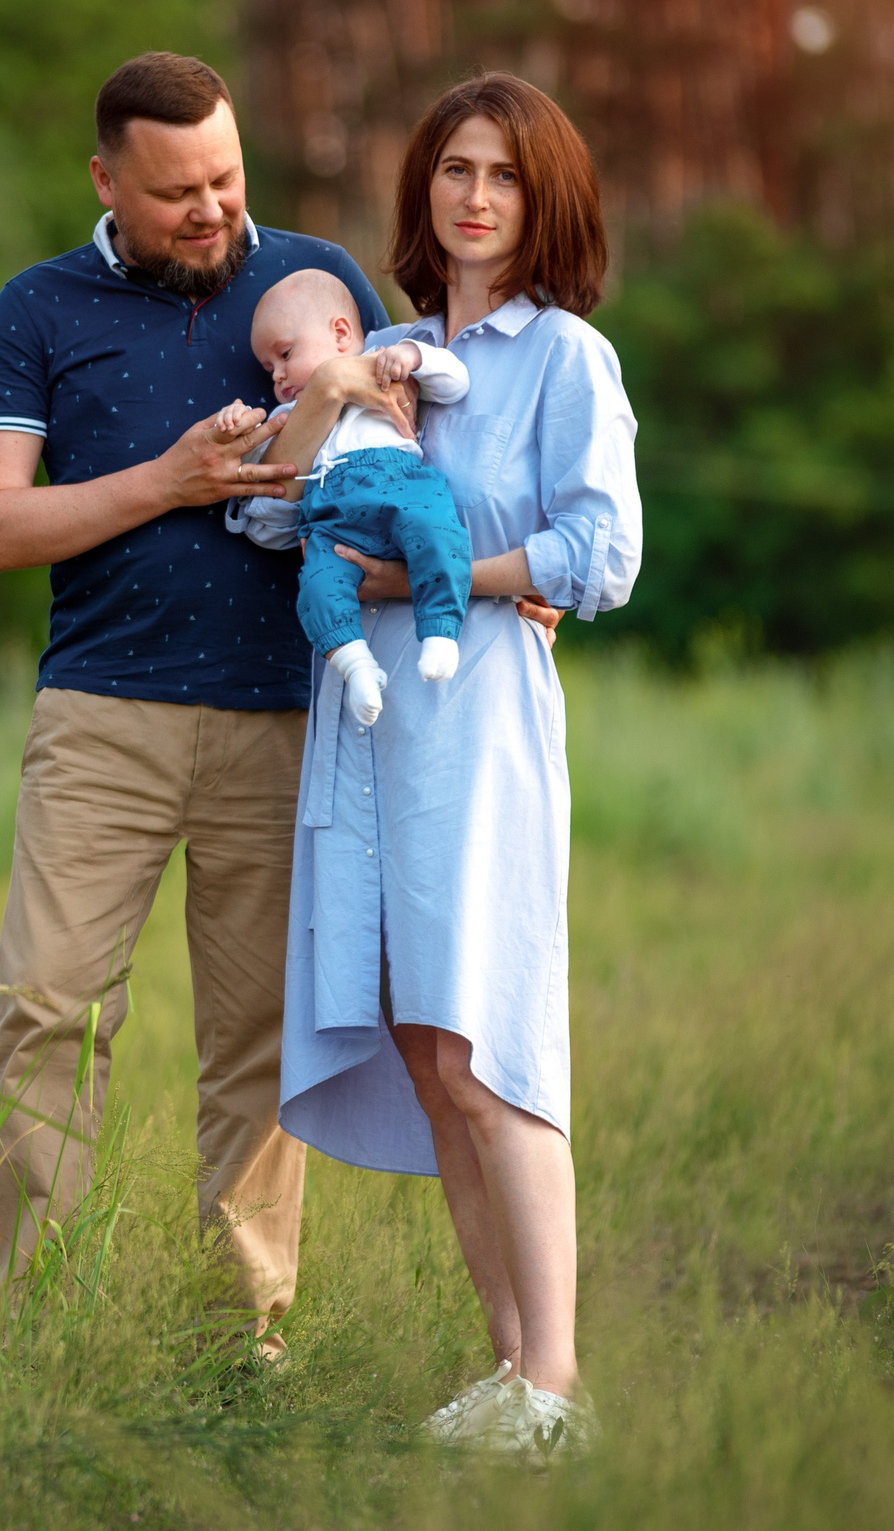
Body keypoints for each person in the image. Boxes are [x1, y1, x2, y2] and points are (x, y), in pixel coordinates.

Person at [0, 51, 419, 1349]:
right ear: (107, 180)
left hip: (289, 718)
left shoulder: (318, 282)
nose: (212, 209)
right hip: (101, 718)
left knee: (262, 1046)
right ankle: (15, 1321)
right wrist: (164, 481)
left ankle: (245, 1335)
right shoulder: (37, 308)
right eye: (176, 193)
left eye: (225, 176)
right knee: (49, 1011)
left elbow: (411, 456)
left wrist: (505, 567)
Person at [262, 72, 641, 1457]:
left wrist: (443, 578)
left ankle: (559, 1383)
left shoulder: (564, 362)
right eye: (454, 170)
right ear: (423, 188)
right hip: (366, 746)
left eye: (504, 176)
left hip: (478, 727)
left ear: (543, 202)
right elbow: (268, 523)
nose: (475, 197)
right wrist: (329, 399)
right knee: (431, 1058)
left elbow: (601, 555)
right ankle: (506, 1372)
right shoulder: (386, 348)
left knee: (495, 1054)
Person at [225, 269, 476, 727]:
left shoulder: (385, 365)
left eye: (285, 354)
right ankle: (357, 666)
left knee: (437, 533)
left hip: (397, 481)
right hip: (329, 516)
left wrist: (412, 355)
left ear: (340, 333)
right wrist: (238, 423)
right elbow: (262, 491)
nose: (279, 375)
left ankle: (441, 629)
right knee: (318, 584)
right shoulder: (292, 414)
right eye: (269, 369)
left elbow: (456, 380)